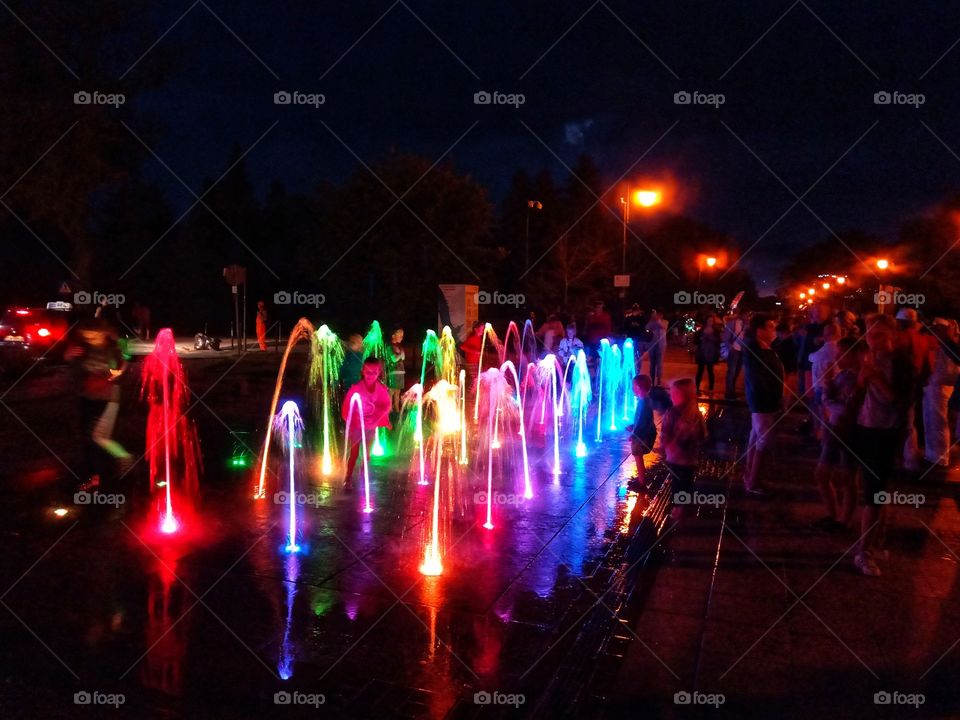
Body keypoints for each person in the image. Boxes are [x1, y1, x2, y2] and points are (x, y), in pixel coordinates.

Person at [853, 313, 914, 577]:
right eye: (868, 334)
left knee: (876, 494)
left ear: (893, 336)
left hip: (886, 433)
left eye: (878, 334)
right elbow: (860, 392)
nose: (871, 339)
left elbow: (899, 402)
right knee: (871, 492)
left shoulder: (902, 364)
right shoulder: (869, 357)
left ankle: (865, 551)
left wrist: (875, 377)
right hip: (865, 429)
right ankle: (870, 545)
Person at [64, 318, 132, 490]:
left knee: (99, 437)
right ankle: (96, 476)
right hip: (86, 397)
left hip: (107, 398)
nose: (90, 340)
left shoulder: (113, 349)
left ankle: (122, 460)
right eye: (87, 338)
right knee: (89, 439)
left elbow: (121, 370)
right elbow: (75, 373)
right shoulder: (83, 349)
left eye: (93, 337)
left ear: (103, 333)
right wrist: (69, 358)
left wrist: (113, 375)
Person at [812, 336, 861, 532]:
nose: (838, 358)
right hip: (834, 428)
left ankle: (843, 520)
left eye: (843, 354)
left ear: (856, 354)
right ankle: (834, 515)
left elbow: (845, 409)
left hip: (850, 431)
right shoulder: (843, 374)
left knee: (849, 478)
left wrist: (826, 392)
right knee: (822, 474)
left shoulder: (858, 378)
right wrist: (828, 383)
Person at [742, 313, 783, 497]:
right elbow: (759, 379)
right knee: (763, 441)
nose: (773, 329)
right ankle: (753, 481)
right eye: (770, 326)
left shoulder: (762, 348)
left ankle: (750, 475)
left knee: (756, 437)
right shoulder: (756, 350)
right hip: (763, 402)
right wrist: (770, 398)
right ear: (759, 330)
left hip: (763, 401)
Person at [341, 357, 392, 490]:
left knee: (367, 454)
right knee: (354, 453)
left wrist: (377, 418)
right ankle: (348, 477)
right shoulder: (356, 388)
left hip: (371, 427)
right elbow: (347, 407)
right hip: (357, 426)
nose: (370, 375)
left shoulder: (381, 389)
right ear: (363, 371)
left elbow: (386, 405)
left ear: (379, 373)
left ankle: (363, 473)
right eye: (368, 372)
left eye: (374, 373)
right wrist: (351, 420)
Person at [661, 378, 706, 520]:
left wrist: (664, 446)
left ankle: (678, 510)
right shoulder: (696, 413)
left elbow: (665, 435)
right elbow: (703, 435)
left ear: (679, 396)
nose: (670, 396)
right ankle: (684, 507)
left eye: (673, 394)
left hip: (675, 457)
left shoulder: (671, 413)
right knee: (686, 482)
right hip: (690, 458)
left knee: (677, 483)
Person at [922, 318, 960, 467]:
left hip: (940, 388)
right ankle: (936, 455)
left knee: (938, 423)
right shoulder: (945, 344)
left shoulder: (948, 345)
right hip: (940, 387)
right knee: (938, 422)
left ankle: (938, 458)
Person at [896, 308, 927, 471]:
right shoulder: (922, 339)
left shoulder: (900, 338)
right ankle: (910, 457)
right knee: (910, 421)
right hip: (916, 384)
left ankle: (906, 459)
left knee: (903, 423)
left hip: (902, 384)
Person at [626, 374, 656, 492]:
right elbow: (642, 420)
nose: (632, 388)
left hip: (643, 437)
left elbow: (643, 421)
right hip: (645, 433)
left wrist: (634, 434)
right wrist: (633, 426)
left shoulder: (644, 403)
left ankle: (642, 483)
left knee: (638, 457)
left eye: (633, 386)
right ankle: (640, 479)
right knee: (638, 457)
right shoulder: (645, 400)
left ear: (638, 387)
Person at [694, 315, 721, 395]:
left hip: (711, 353)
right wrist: (700, 339)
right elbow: (696, 341)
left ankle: (711, 389)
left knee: (710, 371)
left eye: (712, 321)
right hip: (702, 352)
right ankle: (697, 388)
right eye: (709, 320)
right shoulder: (701, 330)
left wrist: (713, 340)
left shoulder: (715, 331)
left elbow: (719, 341)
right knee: (700, 371)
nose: (710, 322)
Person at [723, 311, 746, 399]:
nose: (746, 316)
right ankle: (729, 393)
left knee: (736, 372)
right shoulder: (733, 323)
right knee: (731, 372)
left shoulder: (747, 325)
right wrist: (730, 347)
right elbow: (726, 336)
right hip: (734, 350)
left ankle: (732, 390)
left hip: (742, 351)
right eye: (745, 314)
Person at [772, 322, 799, 392]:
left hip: (788, 370)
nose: (777, 334)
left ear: (784, 332)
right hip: (782, 369)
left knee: (785, 390)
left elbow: (791, 357)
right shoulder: (779, 340)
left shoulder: (792, 342)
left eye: (778, 333)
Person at [387, 327, 407, 415]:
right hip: (393, 371)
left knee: (398, 391)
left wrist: (400, 355)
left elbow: (403, 357)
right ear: (393, 335)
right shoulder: (389, 347)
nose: (402, 337)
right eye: (400, 335)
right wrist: (400, 355)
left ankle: (397, 409)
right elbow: (394, 359)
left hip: (400, 371)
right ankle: (390, 409)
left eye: (402, 336)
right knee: (391, 391)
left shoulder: (400, 346)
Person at [645, 310, 667, 386]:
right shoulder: (652, 322)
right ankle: (652, 380)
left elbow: (663, 327)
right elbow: (646, 327)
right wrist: (651, 319)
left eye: (658, 314)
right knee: (652, 364)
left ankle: (659, 381)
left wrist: (657, 319)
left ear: (661, 315)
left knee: (659, 363)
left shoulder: (665, 321)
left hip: (661, 345)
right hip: (652, 345)